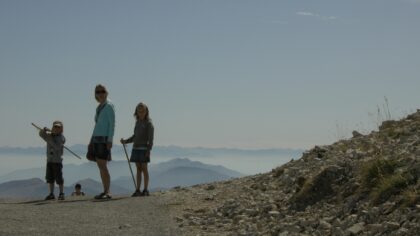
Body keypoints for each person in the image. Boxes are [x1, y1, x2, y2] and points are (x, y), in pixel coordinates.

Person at [121, 102, 154, 197]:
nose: (141, 113)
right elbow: (135, 136)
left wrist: (148, 150)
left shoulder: (149, 124)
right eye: (139, 111)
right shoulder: (138, 122)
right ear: (137, 112)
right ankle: (138, 189)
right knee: (138, 169)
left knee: (144, 169)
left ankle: (146, 190)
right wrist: (125, 141)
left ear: (146, 111)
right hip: (136, 148)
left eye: (143, 111)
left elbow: (151, 139)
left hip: (144, 149)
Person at [89, 84, 115, 200]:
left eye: (102, 91)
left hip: (104, 138)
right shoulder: (99, 107)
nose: (100, 93)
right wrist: (91, 139)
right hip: (97, 138)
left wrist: (110, 139)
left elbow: (112, 124)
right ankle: (104, 190)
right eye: (98, 92)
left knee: (103, 165)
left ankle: (108, 191)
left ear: (106, 92)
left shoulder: (109, 106)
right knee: (100, 165)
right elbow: (97, 124)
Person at [39, 121, 66, 200]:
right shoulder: (50, 136)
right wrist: (44, 130)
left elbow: (57, 147)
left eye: (58, 127)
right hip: (49, 160)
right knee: (50, 178)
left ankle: (61, 193)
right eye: (55, 127)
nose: (56, 128)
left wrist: (50, 138)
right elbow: (41, 134)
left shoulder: (61, 137)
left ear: (61, 129)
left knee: (59, 178)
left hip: (57, 161)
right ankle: (51, 194)